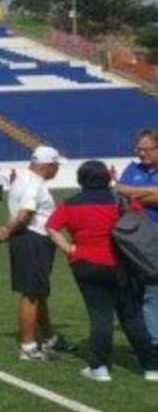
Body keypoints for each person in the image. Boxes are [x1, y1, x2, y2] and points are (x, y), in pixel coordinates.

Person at [47, 159, 158, 382]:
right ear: (108, 178)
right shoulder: (121, 201)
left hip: (86, 264)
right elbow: (140, 223)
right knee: (132, 316)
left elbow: (52, 227)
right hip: (122, 265)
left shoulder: (69, 203)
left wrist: (70, 249)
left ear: (81, 179)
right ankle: (151, 367)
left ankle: (99, 368)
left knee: (100, 315)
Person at [0, 145, 66, 361]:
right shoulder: (34, 183)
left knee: (38, 291)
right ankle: (28, 346)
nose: (57, 170)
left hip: (28, 238)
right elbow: (25, 214)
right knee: (31, 293)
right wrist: (6, 230)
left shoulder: (23, 178)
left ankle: (49, 337)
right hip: (33, 239)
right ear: (47, 165)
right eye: (56, 165)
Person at [115, 128, 158, 345]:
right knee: (137, 290)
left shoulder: (133, 173)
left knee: (153, 290)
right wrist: (148, 193)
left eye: (146, 149)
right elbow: (118, 192)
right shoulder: (132, 168)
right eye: (138, 149)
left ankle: (153, 342)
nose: (141, 154)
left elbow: (126, 191)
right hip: (135, 239)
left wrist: (132, 193)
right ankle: (146, 339)